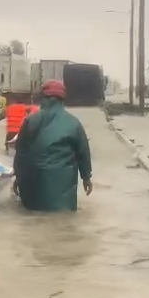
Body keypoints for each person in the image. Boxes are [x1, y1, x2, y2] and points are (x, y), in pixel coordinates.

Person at [12, 79, 93, 211]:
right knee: (62, 218)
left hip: (33, 185)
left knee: (33, 215)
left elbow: (20, 152)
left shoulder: (30, 120)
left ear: (43, 97)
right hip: (63, 186)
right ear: (62, 99)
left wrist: (18, 177)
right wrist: (86, 177)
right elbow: (83, 152)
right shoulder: (73, 123)